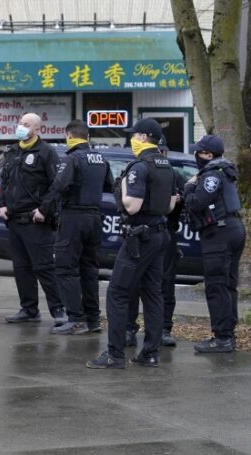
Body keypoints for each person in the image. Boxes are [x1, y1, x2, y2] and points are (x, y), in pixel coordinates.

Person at [86, 118, 177, 369]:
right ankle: (149, 353)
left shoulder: (139, 167)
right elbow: (170, 205)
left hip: (140, 237)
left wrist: (125, 187)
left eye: (134, 135)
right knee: (153, 294)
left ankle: (115, 355)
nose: (132, 139)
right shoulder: (165, 165)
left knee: (117, 293)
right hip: (159, 234)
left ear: (144, 137)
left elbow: (132, 205)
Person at [0, 113, 66, 326]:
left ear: (37, 130)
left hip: (36, 221)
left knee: (44, 267)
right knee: (21, 268)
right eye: (20, 123)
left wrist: (44, 210)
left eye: (26, 125)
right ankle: (29, 309)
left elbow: (56, 186)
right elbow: (5, 181)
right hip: (15, 220)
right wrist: (2, 204)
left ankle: (58, 311)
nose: (21, 127)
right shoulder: (12, 151)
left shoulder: (46, 153)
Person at [48, 120, 113, 335]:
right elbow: (108, 185)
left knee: (66, 268)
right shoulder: (101, 158)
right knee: (89, 270)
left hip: (73, 217)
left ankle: (76, 318)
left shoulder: (72, 158)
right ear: (87, 136)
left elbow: (60, 186)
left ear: (69, 135)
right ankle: (93, 319)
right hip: (94, 218)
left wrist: (44, 208)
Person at [184, 134, 246, 353]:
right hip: (233, 228)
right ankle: (228, 333)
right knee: (228, 284)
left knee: (217, 285)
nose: (196, 155)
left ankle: (222, 338)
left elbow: (196, 202)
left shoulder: (211, 175)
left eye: (199, 152)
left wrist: (190, 186)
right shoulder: (225, 171)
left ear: (208, 154)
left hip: (219, 233)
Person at [125, 142, 183, 348]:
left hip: (164, 232)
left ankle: (163, 330)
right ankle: (128, 329)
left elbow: (179, 205)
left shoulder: (172, 174)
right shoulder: (138, 168)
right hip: (141, 232)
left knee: (163, 285)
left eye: (164, 151)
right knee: (131, 284)